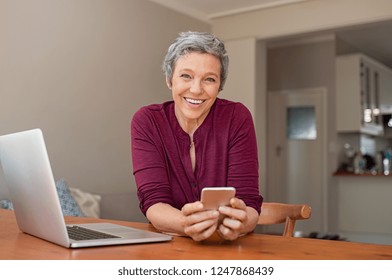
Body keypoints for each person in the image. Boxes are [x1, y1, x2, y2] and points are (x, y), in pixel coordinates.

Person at [131, 31, 262, 241]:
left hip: (227, 248)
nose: (196, 89)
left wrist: (242, 221)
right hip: (170, 246)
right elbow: (154, 202)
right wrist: (186, 225)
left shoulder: (237, 117)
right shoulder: (147, 121)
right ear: (169, 79)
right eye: (186, 76)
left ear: (220, 85)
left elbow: (249, 202)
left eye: (209, 79)